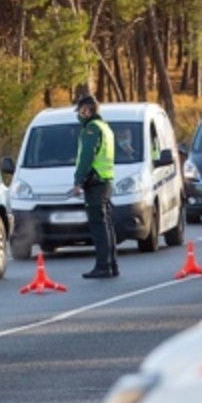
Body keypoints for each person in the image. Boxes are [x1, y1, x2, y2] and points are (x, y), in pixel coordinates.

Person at [70, 94, 118, 278]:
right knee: (107, 225)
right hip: (105, 180)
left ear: (87, 110)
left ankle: (103, 266)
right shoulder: (105, 127)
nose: (79, 115)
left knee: (99, 226)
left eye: (81, 111)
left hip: (95, 181)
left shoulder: (91, 129)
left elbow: (87, 157)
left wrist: (78, 180)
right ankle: (111, 264)